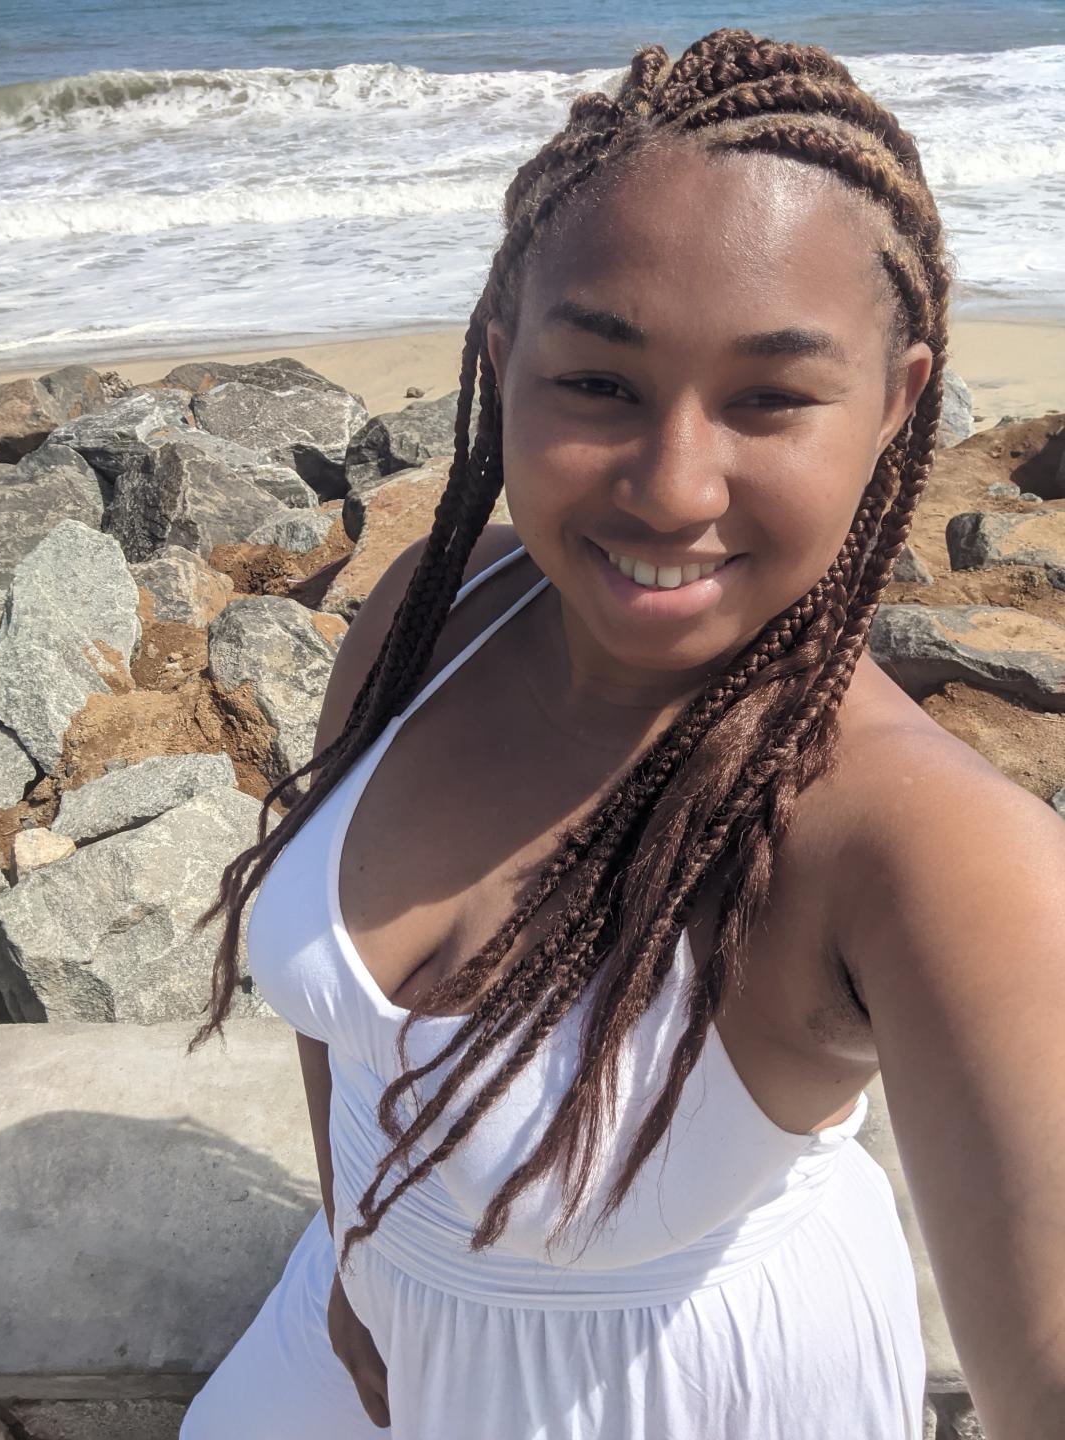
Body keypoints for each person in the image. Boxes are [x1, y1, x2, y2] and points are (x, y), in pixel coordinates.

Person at [180, 27, 1065, 1440]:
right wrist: (352, 1252)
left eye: (771, 397)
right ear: (503, 360)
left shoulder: (918, 842)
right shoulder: (431, 614)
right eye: (600, 383)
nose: (672, 487)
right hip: (349, 1341)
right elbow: (344, 1046)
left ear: (898, 406)